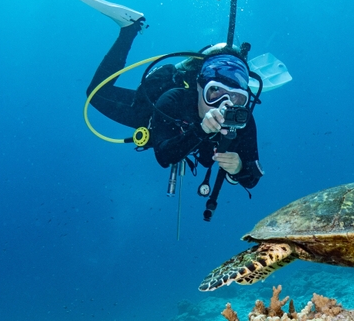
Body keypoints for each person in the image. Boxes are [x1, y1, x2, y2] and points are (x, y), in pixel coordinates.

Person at [86, 16, 264, 192]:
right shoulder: (174, 100)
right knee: (96, 94)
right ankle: (129, 30)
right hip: (155, 117)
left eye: (236, 98)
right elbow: (164, 156)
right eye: (215, 91)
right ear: (199, 85)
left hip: (194, 139)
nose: (224, 105)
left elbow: (252, 179)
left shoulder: (241, 119)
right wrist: (201, 130)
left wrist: (239, 168)